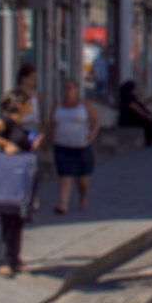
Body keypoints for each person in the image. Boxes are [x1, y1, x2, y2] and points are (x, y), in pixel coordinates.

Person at [0, 90, 42, 277]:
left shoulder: (23, 125)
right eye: (29, 103)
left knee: (18, 218)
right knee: (4, 219)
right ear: (19, 105)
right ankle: (3, 261)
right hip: (6, 177)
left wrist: (33, 144)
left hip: (21, 177)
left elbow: (24, 145)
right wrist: (5, 144)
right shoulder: (5, 122)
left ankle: (15, 258)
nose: (31, 106)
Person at [49, 79, 99, 214]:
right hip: (61, 143)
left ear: (76, 90)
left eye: (70, 88)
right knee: (64, 174)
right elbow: (52, 123)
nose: (68, 90)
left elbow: (95, 121)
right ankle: (62, 204)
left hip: (81, 144)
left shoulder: (84, 104)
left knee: (82, 177)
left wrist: (92, 134)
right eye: (66, 88)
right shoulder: (57, 105)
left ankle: (83, 198)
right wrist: (50, 138)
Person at [118, 81, 152, 146]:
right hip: (128, 120)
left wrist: (149, 101)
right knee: (150, 121)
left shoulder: (132, 97)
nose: (136, 90)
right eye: (134, 89)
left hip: (133, 118)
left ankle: (151, 139)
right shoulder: (127, 98)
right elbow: (135, 108)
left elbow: (140, 105)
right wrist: (146, 116)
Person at [16, 64, 43, 145]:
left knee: (31, 150)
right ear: (24, 78)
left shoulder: (36, 95)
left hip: (33, 130)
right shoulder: (16, 95)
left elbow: (41, 114)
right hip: (19, 130)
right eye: (32, 78)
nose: (34, 81)